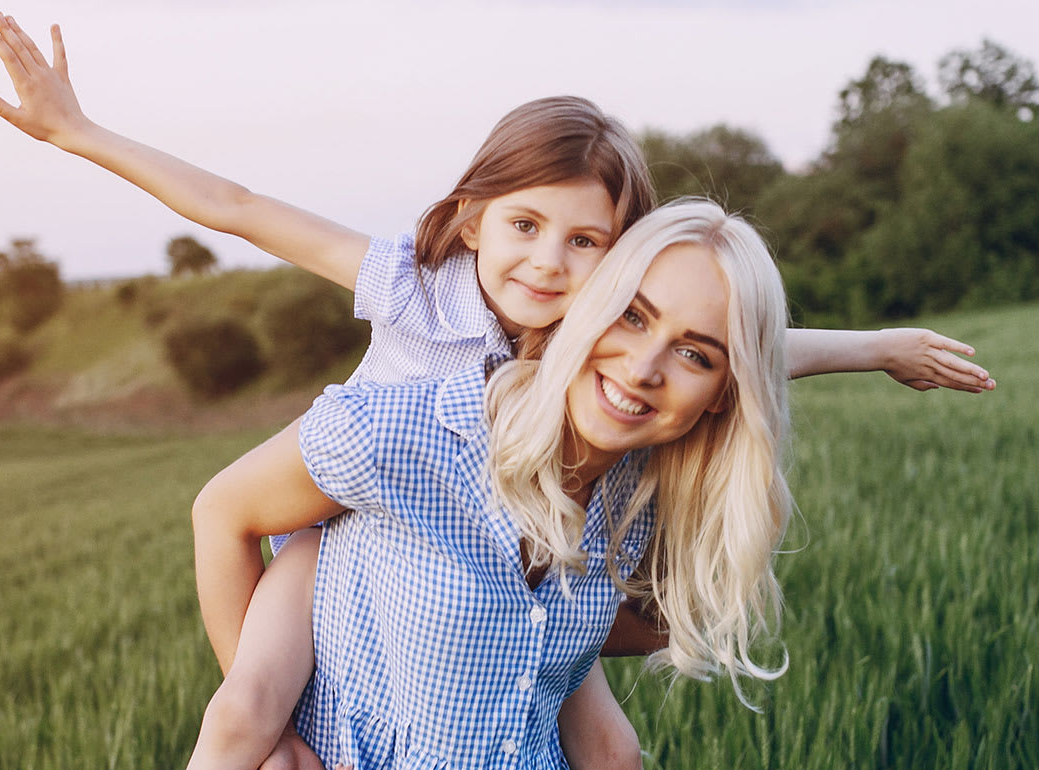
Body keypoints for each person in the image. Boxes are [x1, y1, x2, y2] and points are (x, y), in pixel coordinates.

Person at [0, 13, 994, 768]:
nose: (548, 263)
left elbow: (740, 346)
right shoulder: (418, 290)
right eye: (523, 226)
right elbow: (238, 208)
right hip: (336, 529)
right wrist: (78, 132)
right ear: (469, 217)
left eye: (584, 242)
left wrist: (876, 347)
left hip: (529, 543)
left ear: (615, 261)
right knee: (247, 718)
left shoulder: (595, 343)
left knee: (611, 739)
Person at [273, 198, 796, 768]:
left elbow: (616, 638)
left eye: (694, 354)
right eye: (632, 316)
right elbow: (224, 513)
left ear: (724, 393)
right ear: (586, 306)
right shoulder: (410, 433)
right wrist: (268, 726)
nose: (644, 368)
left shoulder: (637, 502)